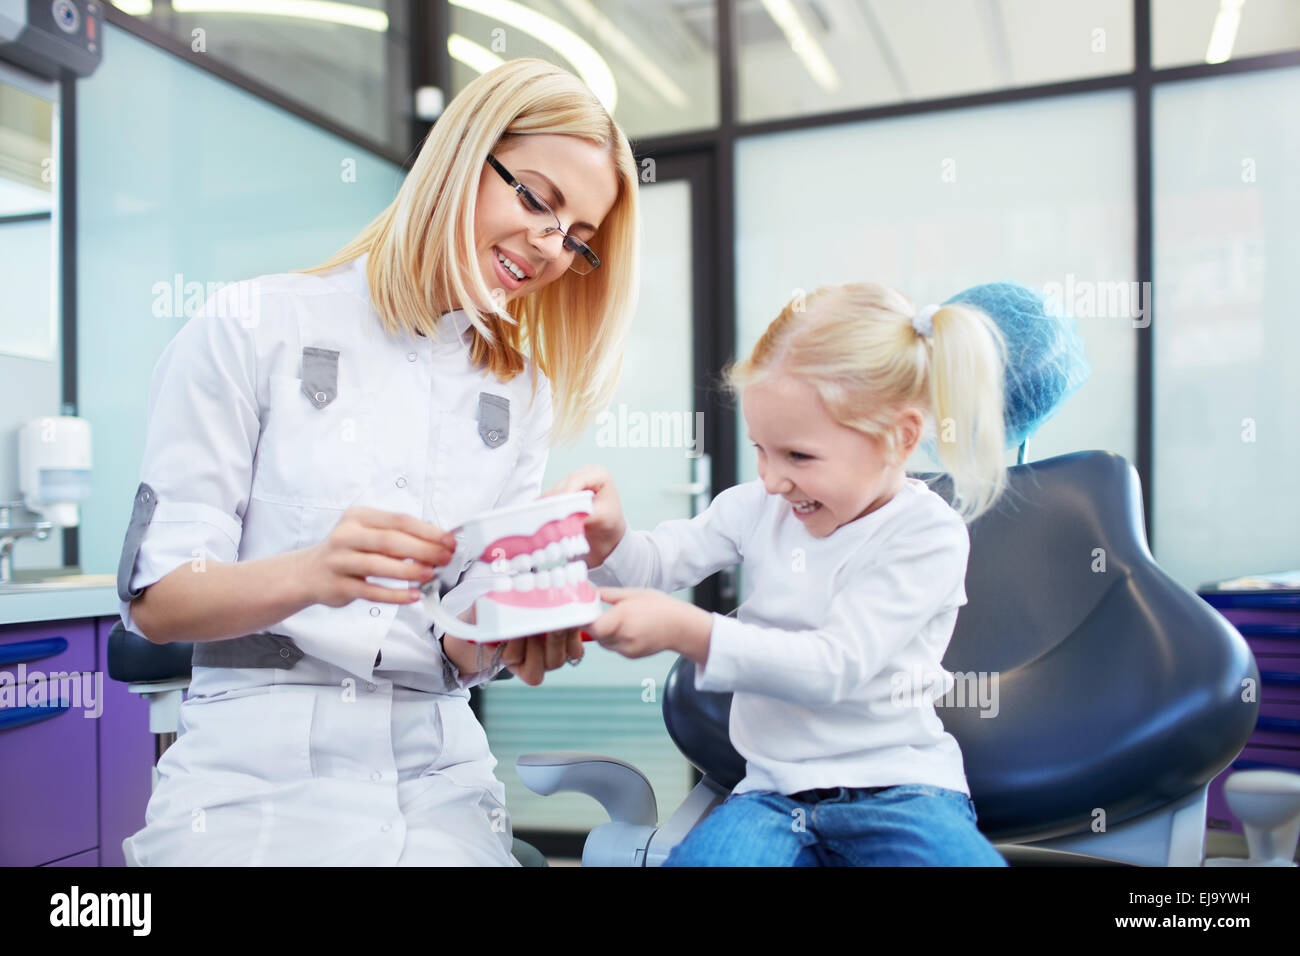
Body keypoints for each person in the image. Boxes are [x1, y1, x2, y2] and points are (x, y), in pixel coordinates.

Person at [116, 58, 640, 866]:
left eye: (577, 240)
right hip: (254, 774)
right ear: (464, 158)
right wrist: (314, 572)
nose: (548, 247)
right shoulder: (255, 327)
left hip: (438, 774)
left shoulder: (518, 394)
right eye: (536, 199)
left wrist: (523, 627)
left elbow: (464, 642)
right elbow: (159, 600)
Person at [557, 281, 1020, 866]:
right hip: (772, 793)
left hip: (903, 790)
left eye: (799, 456)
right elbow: (654, 566)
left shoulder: (926, 535)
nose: (774, 479)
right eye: (761, 449)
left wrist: (688, 631)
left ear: (899, 439)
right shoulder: (758, 505)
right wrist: (609, 540)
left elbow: (834, 666)